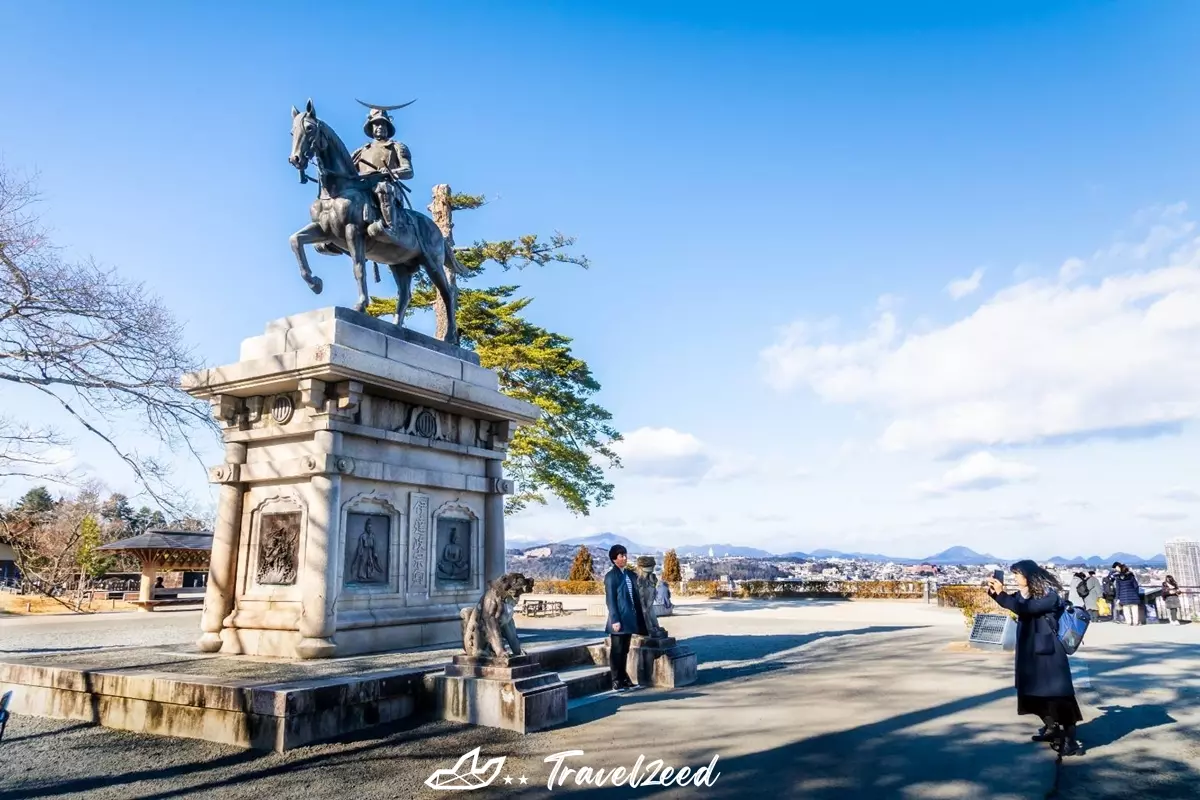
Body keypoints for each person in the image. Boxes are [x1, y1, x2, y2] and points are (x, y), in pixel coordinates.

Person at [988, 560, 1083, 757]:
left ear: (1028, 575)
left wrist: (1003, 595)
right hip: (1030, 650)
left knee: (1058, 695)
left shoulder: (1048, 595)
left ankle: (1071, 740)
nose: (1015, 578)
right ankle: (1051, 728)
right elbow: (1015, 604)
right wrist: (995, 592)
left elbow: (1026, 608)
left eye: (1017, 574)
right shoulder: (1024, 595)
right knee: (1031, 693)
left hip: (1048, 651)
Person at [352, 106, 414, 240]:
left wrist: (390, 171)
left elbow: (408, 171)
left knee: (382, 188)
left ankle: (390, 226)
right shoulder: (361, 151)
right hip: (364, 187)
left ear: (388, 127)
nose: (380, 127)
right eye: (376, 124)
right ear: (371, 127)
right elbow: (349, 171)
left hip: (387, 187)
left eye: (383, 124)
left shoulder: (396, 147)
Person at [604, 544, 647, 692]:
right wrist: (615, 619)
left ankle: (624, 678)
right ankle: (616, 680)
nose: (624, 558)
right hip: (618, 620)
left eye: (625, 555)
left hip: (629, 619)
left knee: (625, 650)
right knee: (616, 651)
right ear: (614, 559)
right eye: (621, 555)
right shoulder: (611, 577)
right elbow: (610, 600)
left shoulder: (630, 575)